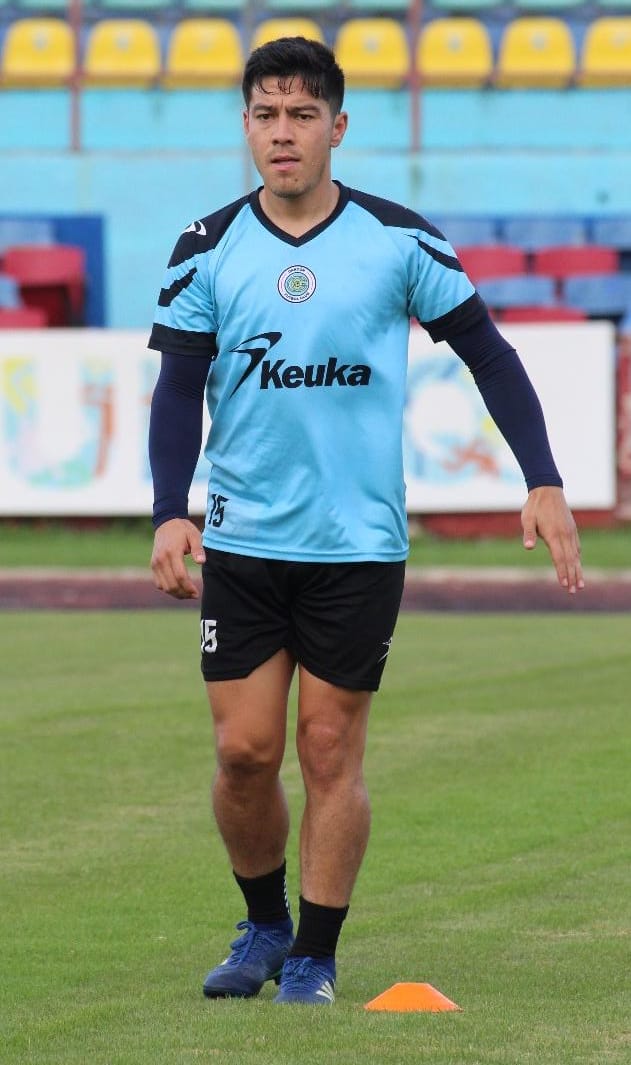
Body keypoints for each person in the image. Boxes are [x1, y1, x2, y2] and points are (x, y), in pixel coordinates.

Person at [148, 36, 583, 1006]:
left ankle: (313, 953)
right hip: (243, 541)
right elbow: (178, 389)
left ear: (336, 127)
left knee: (328, 747)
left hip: (356, 546)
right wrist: (167, 511)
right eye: (266, 115)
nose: (283, 133)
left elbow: (488, 353)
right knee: (243, 753)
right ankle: (263, 925)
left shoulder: (399, 240)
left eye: (302, 115)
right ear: (246, 126)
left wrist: (543, 478)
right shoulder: (205, 246)